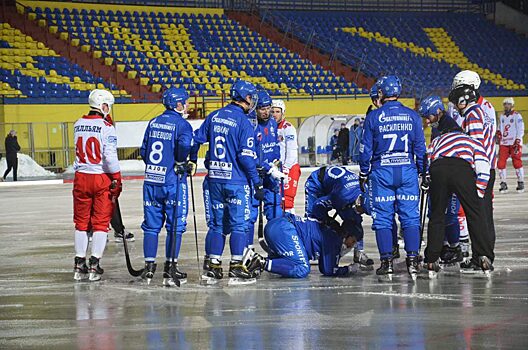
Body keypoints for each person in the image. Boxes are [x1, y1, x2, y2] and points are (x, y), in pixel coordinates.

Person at [190, 79, 264, 285]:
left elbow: (195, 140)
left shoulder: (214, 116)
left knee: (217, 225)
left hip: (214, 180)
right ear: (246, 98)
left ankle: (213, 267)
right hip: (236, 182)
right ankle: (236, 266)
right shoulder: (244, 123)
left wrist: (192, 160)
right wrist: (257, 182)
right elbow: (246, 158)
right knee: (239, 225)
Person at [359, 75, 427, 281]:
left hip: (382, 172)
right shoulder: (413, 116)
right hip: (407, 170)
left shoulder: (373, 117)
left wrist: (363, 172)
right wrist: (424, 172)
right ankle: (413, 262)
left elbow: (365, 150)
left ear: (381, 93)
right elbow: (421, 149)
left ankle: (386, 263)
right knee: (410, 217)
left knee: (383, 219)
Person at [422, 101, 493, 277]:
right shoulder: (469, 140)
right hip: (462, 168)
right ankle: (484, 256)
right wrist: (479, 191)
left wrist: (427, 180)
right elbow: (483, 164)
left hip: (439, 167)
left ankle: (431, 260)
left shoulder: (438, 139)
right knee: (474, 214)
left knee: (437, 215)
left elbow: (428, 158)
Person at [139, 87, 193, 286]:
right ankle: (170, 268)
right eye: (185, 102)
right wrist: (181, 160)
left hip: (152, 181)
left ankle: (149, 268)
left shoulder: (153, 122)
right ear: (177, 104)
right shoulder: (182, 124)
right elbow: (184, 147)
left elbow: (144, 150)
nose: (187, 105)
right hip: (172, 182)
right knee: (175, 226)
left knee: (151, 227)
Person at [72, 89, 121, 281]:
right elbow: (109, 157)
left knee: (81, 222)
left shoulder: (78, 124)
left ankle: (79, 262)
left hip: (81, 176)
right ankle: (94, 264)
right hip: (100, 177)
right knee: (101, 223)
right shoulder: (106, 127)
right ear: (103, 106)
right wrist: (117, 177)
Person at [448, 80, 497, 272]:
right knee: (482, 214)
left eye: (455, 103)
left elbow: (476, 146)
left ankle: (482, 256)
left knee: (479, 215)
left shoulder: (473, 114)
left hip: (480, 170)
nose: (455, 108)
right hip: (486, 168)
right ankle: (482, 255)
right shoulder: (481, 110)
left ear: (462, 100)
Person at [247, 213, 358, 278]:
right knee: (302, 268)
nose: (351, 246)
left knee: (287, 263)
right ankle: (261, 263)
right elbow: (328, 270)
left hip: (277, 226)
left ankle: (249, 262)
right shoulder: (334, 239)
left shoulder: (331, 231)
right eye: (352, 241)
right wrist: (348, 269)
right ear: (346, 234)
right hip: (285, 229)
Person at [304, 165, 374, 268]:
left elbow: (356, 220)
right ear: (358, 203)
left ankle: (359, 252)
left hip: (338, 187)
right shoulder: (342, 196)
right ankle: (308, 250)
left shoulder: (365, 192)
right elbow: (318, 205)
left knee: (355, 220)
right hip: (317, 183)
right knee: (312, 219)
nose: (361, 212)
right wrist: (329, 221)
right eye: (361, 210)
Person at [247, 90, 285, 249]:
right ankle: (246, 250)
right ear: (255, 109)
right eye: (262, 108)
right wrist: (264, 167)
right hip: (255, 175)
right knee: (250, 215)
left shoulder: (272, 123)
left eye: (268, 107)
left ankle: (276, 246)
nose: (266, 111)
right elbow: (249, 153)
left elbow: (275, 147)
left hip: (271, 175)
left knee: (275, 212)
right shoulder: (251, 126)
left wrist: (276, 163)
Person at [272, 99, 300, 214]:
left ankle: (289, 226)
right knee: (274, 200)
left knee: (287, 201)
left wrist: (286, 168)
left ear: (283, 113)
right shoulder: (268, 127)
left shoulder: (288, 128)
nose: (274, 114)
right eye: (272, 111)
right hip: (275, 168)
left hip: (289, 167)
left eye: (277, 111)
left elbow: (292, 150)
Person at [497, 97, 524, 194]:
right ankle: (503, 183)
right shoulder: (502, 116)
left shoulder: (517, 116)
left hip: (514, 143)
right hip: (504, 143)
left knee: (517, 162)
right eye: (505, 104)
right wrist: (498, 134)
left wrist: (518, 140)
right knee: (500, 163)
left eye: (508, 104)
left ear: (512, 105)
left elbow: (520, 129)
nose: (506, 105)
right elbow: (500, 128)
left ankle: (520, 182)